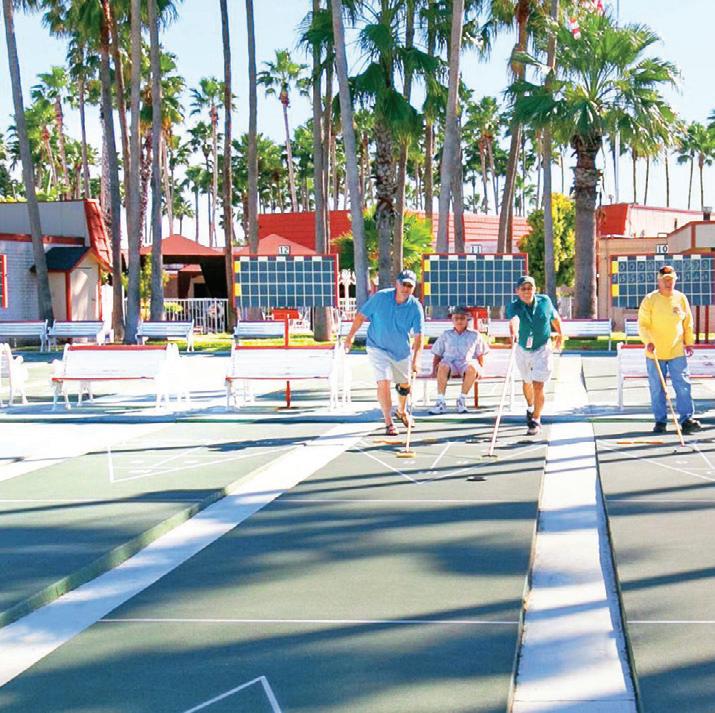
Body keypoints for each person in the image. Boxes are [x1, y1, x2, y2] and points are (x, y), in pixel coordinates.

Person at [344, 269, 424, 436]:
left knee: (404, 386)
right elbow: (360, 316)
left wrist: (416, 360)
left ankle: (401, 410)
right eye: (403, 284)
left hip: (401, 351)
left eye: (410, 286)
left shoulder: (416, 307)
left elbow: (419, 337)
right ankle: (389, 422)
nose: (406, 288)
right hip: (377, 346)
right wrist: (350, 336)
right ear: (397, 284)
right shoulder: (381, 297)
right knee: (384, 381)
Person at [637, 264, 701, 434]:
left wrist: (689, 342)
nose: (668, 283)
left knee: (683, 386)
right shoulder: (650, 299)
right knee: (657, 389)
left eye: (671, 280)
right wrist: (648, 341)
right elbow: (643, 324)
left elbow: (687, 323)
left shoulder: (681, 298)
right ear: (659, 281)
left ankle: (687, 420)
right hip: (655, 353)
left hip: (677, 351)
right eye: (665, 280)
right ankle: (660, 421)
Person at [506, 275, 564, 436]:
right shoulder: (513, 306)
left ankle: (536, 419)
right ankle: (530, 407)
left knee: (538, 384)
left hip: (542, 347)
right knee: (527, 382)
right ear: (517, 291)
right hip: (523, 348)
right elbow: (514, 320)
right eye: (523, 288)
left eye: (530, 288)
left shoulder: (545, 301)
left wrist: (560, 334)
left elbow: (554, 318)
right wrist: (513, 333)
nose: (527, 291)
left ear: (534, 289)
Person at [428, 306, 489, 414]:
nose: (459, 321)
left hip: (465, 362)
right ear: (452, 320)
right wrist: (434, 371)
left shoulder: (475, 335)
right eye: (456, 318)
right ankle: (440, 402)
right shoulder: (446, 334)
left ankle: (461, 400)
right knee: (442, 366)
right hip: (449, 363)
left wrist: (481, 369)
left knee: (472, 368)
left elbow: (480, 354)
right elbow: (437, 354)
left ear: (467, 320)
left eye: (462, 318)